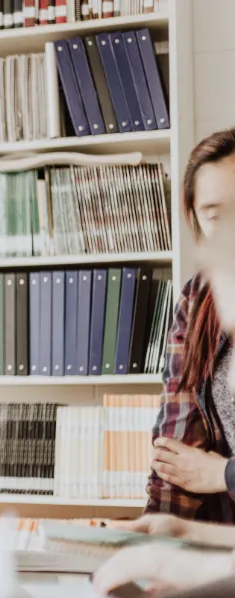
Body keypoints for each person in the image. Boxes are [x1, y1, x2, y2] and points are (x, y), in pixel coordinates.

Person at [146, 128, 235, 523]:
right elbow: (176, 448)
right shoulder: (199, 298)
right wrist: (154, 532)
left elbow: (205, 470)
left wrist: (221, 473)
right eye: (216, 216)